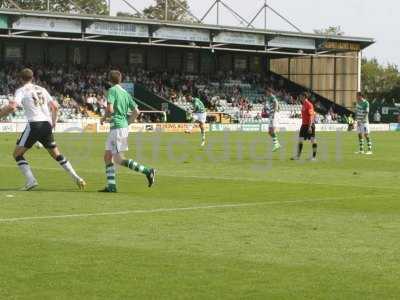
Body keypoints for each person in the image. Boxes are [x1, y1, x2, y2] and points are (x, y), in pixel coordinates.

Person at [0, 68, 86, 191]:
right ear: (32, 77)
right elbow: (55, 107)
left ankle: (31, 181)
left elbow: (13, 107)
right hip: (46, 124)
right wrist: (53, 122)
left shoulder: (21, 90)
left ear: (20, 78)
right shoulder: (42, 89)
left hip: (35, 124)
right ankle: (77, 177)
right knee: (57, 154)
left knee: (17, 154)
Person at [99, 70, 155, 193]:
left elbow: (110, 108)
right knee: (107, 157)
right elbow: (136, 112)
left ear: (110, 80)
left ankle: (147, 171)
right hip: (119, 127)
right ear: (120, 80)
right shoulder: (125, 93)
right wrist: (127, 123)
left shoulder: (112, 90)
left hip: (117, 128)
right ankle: (111, 186)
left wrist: (104, 117)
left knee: (118, 159)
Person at [291, 92, 318, 161]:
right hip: (303, 125)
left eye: (301, 96)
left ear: (304, 97)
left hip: (309, 125)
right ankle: (298, 156)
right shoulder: (303, 104)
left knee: (313, 140)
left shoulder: (309, 105)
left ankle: (314, 157)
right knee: (300, 140)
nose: (300, 97)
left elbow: (311, 116)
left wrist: (309, 127)